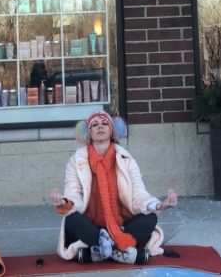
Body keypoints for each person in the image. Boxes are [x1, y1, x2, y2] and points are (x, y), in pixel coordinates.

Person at [50, 109, 178, 264]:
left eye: (105, 123)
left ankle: (97, 252)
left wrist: (159, 205)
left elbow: (138, 193)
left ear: (112, 131)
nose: (100, 126)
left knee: (150, 218)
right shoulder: (76, 161)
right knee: (71, 218)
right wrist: (65, 202)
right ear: (88, 133)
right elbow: (73, 191)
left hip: (121, 226)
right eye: (95, 124)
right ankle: (122, 252)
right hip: (91, 226)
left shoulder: (126, 159)